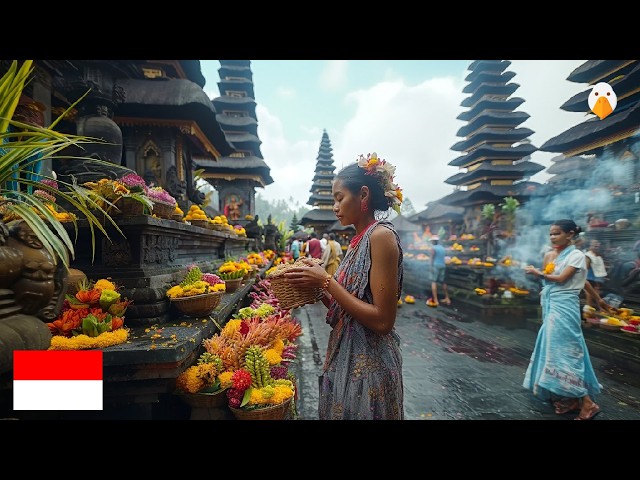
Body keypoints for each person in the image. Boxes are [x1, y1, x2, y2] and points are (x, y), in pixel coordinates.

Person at [283, 152, 404, 419]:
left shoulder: (381, 236)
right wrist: (316, 289)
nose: (335, 207)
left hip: (370, 367)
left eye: (340, 199)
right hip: (346, 357)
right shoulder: (356, 241)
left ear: (363, 195)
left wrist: (326, 281)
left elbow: (383, 321)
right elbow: (350, 306)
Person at [524, 219, 602, 420]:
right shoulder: (551, 255)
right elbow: (549, 279)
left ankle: (587, 403)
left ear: (570, 234)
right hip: (551, 305)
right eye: (550, 234)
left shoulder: (577, 255)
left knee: (564, 353)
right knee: (552, 349)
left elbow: (562, 279)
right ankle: (570, 398)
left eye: (557, 233)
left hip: (565, 308)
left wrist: (536, 272)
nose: (552, 237)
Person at [585, 239, 608, 309]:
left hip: (596, 277)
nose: (596, 247)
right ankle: (589, 309)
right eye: (594, 246)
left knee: (596, 292)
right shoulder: (588, 255)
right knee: (589, 293)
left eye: (597, 246)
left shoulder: (597, 255)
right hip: (590, 276)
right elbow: (586, 267)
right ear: (590, 246)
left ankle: (600, 308)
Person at [428, 235, 451, 306]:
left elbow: (432, 258)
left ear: (433, 241)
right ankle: (447, 298)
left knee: (433, 281)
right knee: (443, 282)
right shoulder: (442, 248)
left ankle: (436, 300)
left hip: (436, 266)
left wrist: (430, 267)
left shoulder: (433, 248)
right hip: (442, 265)